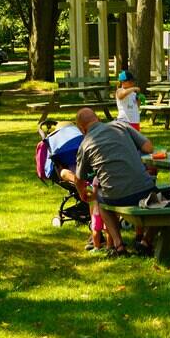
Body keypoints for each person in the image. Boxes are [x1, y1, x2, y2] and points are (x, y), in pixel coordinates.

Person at [59, 107, 156, 256]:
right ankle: (146, 241)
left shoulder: (85, 144)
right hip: (144, 189)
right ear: (97, 118)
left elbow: (79, 178)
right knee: (160, 198)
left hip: (115, 197)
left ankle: (118, 245)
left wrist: (83, 194)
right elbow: (149, 147)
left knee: (101, 202)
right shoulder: (120, 126)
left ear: (81, 128)